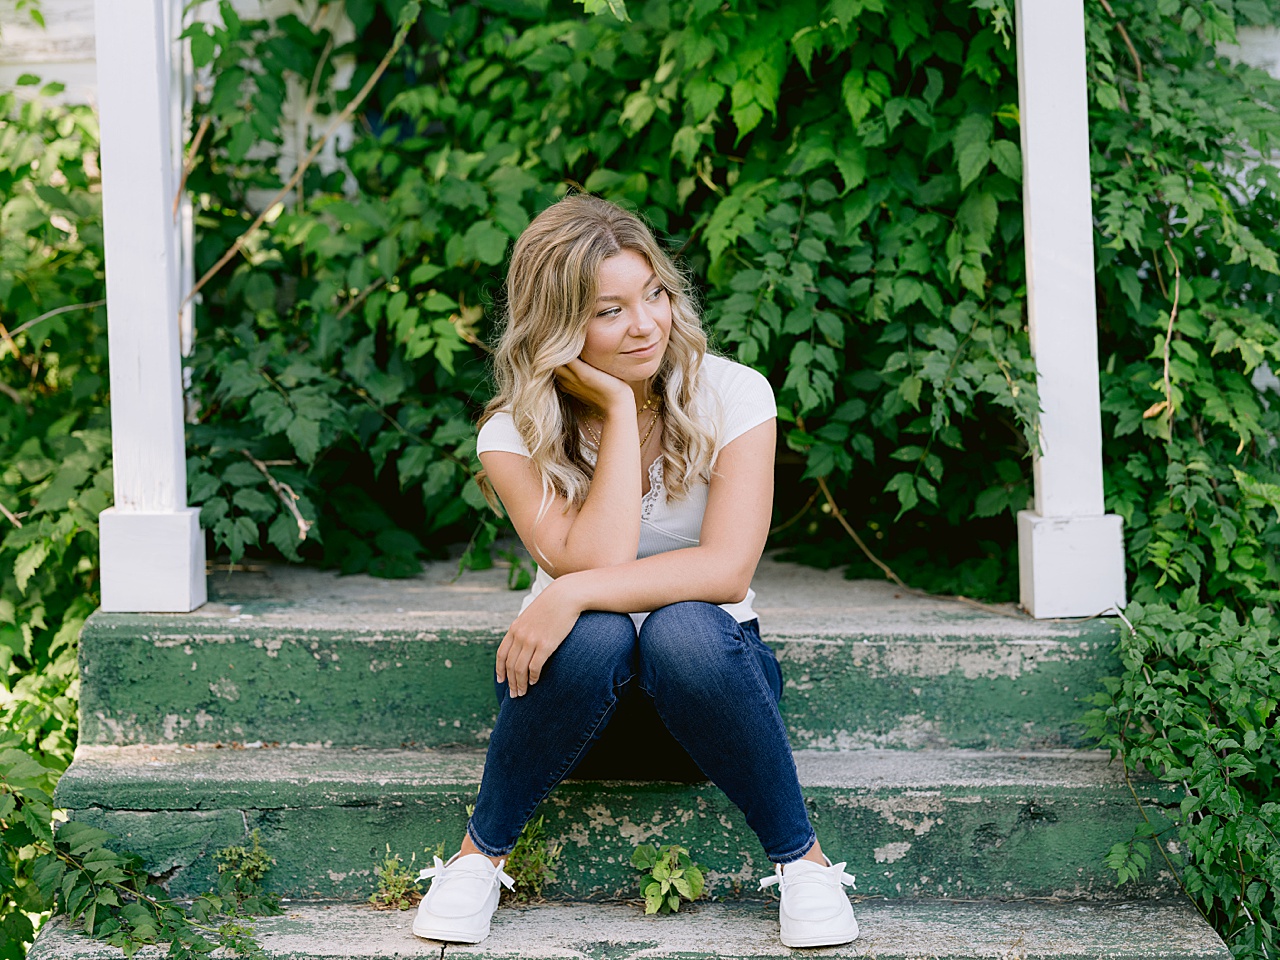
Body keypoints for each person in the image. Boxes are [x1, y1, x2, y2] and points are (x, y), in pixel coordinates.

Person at [411, 194, 858, 949]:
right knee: (595, 635)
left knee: (682, 627)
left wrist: (573, 592)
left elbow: (725, 570)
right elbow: (601, 557)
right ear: (557, 327)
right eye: (609, 311)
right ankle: (477, 860)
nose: (646, 323)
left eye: (653, 294)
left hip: (713, 702)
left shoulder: (734, 394)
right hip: (572, 713)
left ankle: (804, 865)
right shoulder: (509, 432)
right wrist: (618, 409)